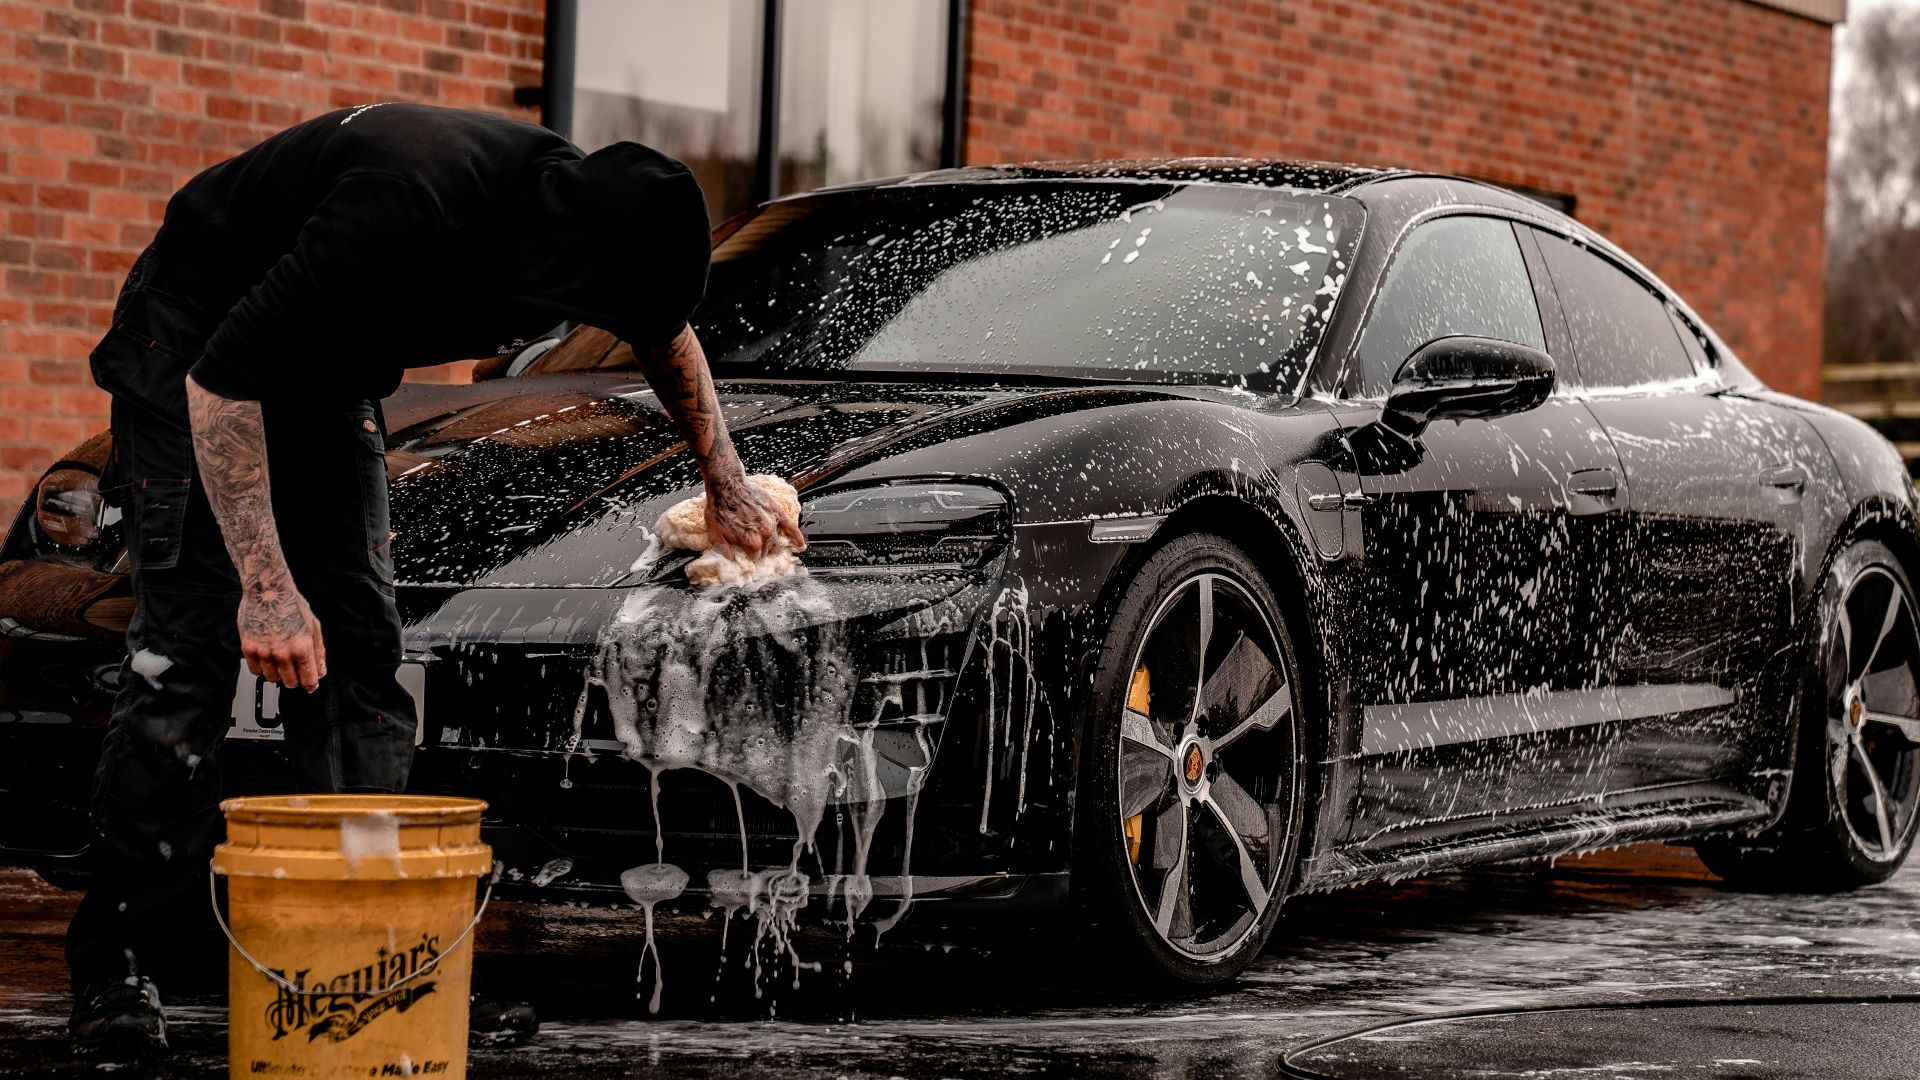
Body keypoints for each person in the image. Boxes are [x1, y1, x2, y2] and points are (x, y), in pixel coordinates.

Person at [67, 102, 803, 1061]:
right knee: (190, 656)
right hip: (196, 346)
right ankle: (118, 956)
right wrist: (268, 584)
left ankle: (372, 952)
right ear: (560, 258)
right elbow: (223, 384)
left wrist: (727, 479)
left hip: (323, 363)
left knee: (363, 658)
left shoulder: (600, 210)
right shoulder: (407, 203)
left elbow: (666, 337)